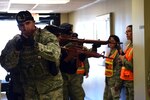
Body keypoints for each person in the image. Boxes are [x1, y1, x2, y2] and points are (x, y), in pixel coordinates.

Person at [0, 10, 63, 100]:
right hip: (29, 91)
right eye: (22, 25)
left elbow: (55, 54)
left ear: (33, 22)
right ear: (19, 27)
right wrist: (16, 51)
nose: (25, 27)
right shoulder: (15, 42)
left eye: (27, 23)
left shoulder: (46, 36)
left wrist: (36, 45)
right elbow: (6, 65)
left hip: (51, 90)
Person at [59, 23, 94, 100]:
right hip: (62, 77)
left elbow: (87, 55)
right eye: (68, 33)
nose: (70, 36)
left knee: (77, 95)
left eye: (70, 33)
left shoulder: (77, 46)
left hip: (75, 76)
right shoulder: (58, 46)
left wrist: (94, 48)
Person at [103, 35, 123, 100]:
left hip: (114, 81)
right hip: (108, 80)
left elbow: (119, 69)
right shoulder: (109, 52)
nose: (110, 43)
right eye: (109, 41)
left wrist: (118, 83)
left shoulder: (118, 53)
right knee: (106, 97)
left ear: (116, 42)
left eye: (112, 41)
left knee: (114, 98)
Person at [119, 25, 133, 100]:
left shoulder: (136, 46)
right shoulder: (128, 46)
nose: (126, 33)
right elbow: (124, 59)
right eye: (126, 32)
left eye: (129, 31)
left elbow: (133, 67)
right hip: (125, 79)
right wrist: (121, 60)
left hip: (132, 80)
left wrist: (123, 60)